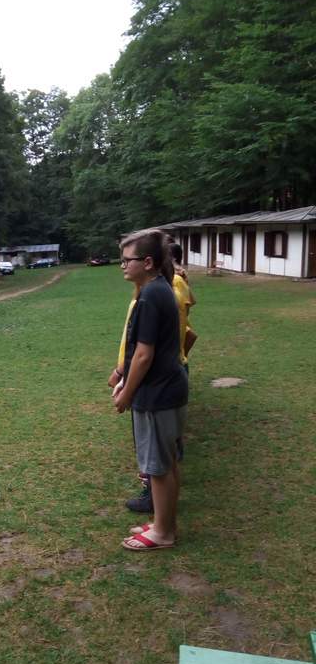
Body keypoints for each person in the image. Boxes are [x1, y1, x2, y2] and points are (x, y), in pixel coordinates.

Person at [112, 229, 188, 551]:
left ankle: (163, 533)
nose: (122, 266)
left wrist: (126, 393)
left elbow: (144, 355)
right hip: (168, 390)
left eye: (126, 260)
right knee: (167, 463)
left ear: (147, 262)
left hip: (158, 394)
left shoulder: (150, 296)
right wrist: (123, 375)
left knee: (157, 467)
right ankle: (163, 524)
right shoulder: (157, 289)